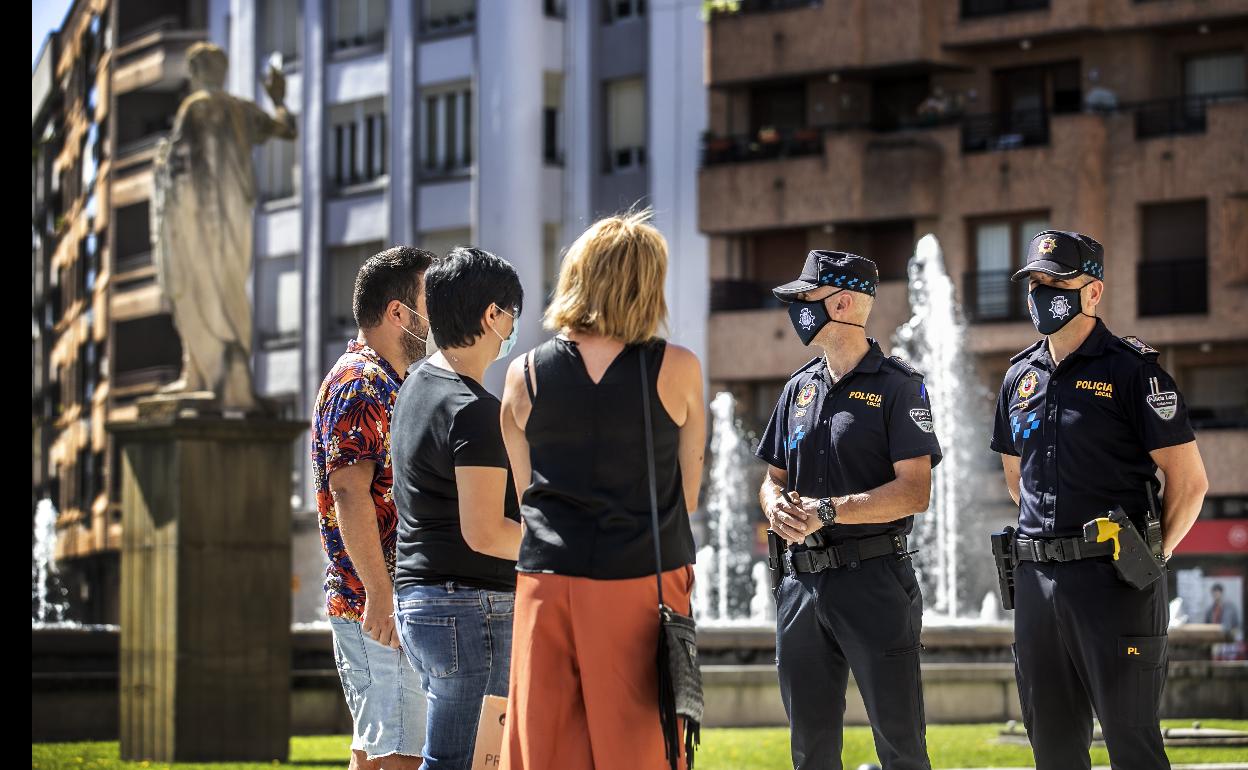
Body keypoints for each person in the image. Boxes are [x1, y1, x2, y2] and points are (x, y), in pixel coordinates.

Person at [991, 230, 1209, 770]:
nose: (1043, 293)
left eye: (1057, 282)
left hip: (1115, 579)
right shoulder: (1019, 376)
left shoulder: (1132, 371)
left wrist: (1152, 556)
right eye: (1035, 283)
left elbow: (1189, 481)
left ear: (1093, 292)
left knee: (1132, 744)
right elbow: (1017, 478)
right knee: (1054, 749)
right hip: (1038, 586)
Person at [498, 212, 706, 770]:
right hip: (641, 580)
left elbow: (528, 496)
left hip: (546, 582)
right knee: (640, 750)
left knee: (543, 749)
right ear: (647, 284)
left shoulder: (524, 374)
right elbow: (686, 497)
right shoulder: (678, 368)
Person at [756, 250, 943, 770]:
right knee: (809, 748)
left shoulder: (899, 386)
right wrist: (775, 508)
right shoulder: (799, 388)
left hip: (875, 580)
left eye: (806, 299)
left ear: (840, 302)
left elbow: (915, 492)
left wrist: (829, 511)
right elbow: (771, 480)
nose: (797, 310)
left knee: (900, 743)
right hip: (801, 585)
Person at [390, 247, 525, 770]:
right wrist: (562, 540)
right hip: (470, 610)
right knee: (464, 763)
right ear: (493, 315)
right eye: (513, 314)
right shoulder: (474, 411)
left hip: (424, 601)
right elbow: (487, 532)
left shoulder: (415, 388)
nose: (514, 328)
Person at [312, 246, 434, 770]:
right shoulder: (362, 382)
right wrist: (381, 595)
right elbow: (348, 491)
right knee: (403, 755)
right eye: (430, 302)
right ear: (398, 313)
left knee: (375, 754)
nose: (436, 318)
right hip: (379, 606)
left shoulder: (380, 378)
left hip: (372, 604)